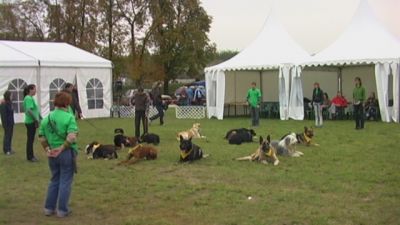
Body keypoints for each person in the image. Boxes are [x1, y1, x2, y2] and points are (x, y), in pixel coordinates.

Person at [38, 91, 78, 218]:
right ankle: (62, 210)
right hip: (65, 152)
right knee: (65, 180)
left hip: (52, 153)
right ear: (67, 103)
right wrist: (62, 148)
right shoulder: (69, 117)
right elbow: (71, 136)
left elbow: (41, 137)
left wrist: (47, 149)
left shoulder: (46, 119)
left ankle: (48, 208)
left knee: (54, 179)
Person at [23, 84, 41, 162]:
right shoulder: (28, 98)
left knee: (31, 139)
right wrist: (35, 119)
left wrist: (40, 117)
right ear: (30, 90)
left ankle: (30, 155)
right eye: (34, 89)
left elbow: (35, 109)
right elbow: (29, 110)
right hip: (30, 122)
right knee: (30, 140)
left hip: (32, 121)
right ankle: (30, 157)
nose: (35, 90)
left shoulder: (30, 98)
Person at [0, 91, 15, 155]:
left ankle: (9, 148)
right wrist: (5, 124)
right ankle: (6, 150)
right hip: (7, 123)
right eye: (11, 95)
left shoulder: (10, 103)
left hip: (11, 122)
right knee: (7, 136)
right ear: (8, 96)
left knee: (10, 136)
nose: (12, 96)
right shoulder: (3, 104)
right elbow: (3, 115)